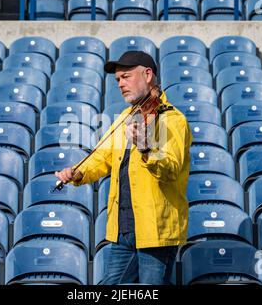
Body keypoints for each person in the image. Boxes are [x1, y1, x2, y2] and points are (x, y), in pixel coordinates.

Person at [55, 50, 192, 285]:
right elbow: (103, 157)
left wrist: (147, 148)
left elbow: (171, 169)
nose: (120, 84)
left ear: (148, 75)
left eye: (126, 77)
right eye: (118, 79)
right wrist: (78, 173)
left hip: (155, 232)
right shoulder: (127, 117)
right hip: (124, 230)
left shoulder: (172, 120)